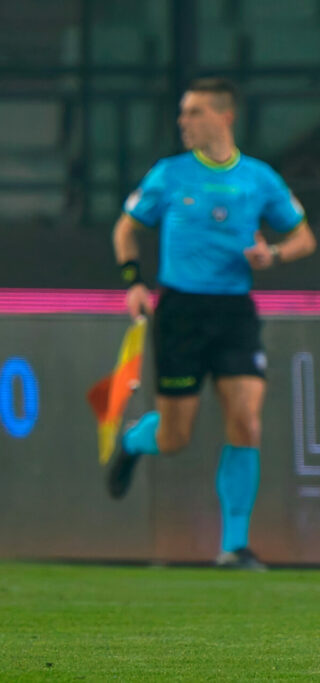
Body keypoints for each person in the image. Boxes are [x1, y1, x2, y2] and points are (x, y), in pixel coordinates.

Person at [107, 77, 316, 569]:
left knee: (246, 420)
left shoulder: (259, 178)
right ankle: (137, 437)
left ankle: (235, 546)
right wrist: (133, 282)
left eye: (194, 112)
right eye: (183, 112)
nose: (184, 121)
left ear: (225, 116)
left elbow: (304, 237)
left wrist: (273, 254)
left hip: (234, 311)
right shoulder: (169, 174)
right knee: (175, 437)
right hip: (181, 312)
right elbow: (126, 229)